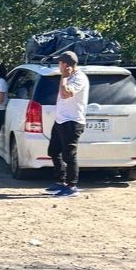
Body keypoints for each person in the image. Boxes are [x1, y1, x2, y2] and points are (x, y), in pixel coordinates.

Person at [45, 51, 89, 197]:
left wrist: (64, 77)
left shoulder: (79, 78)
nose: (58, 66)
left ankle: (71, 186)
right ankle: (60, 181)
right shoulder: (68, 76)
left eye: (60, 63)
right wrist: (64, 77)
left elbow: (65, 94)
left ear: (66, 65)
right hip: (61, 120)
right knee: (53, 151)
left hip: (72, 121)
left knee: (69, 155)